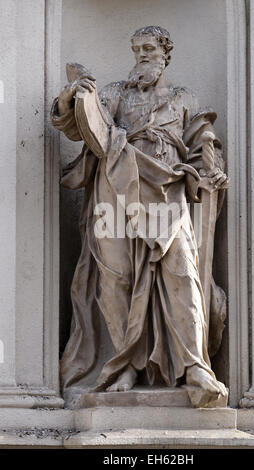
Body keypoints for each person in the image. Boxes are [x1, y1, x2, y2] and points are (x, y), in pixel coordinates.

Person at [51, 26, 228, 406]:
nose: (142, 55)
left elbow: (201, 142)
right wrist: (73, 96)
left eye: (149, 48)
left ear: (166, 53)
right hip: (114, 192)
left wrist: (211, 167)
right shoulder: (115, 93)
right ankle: (123, 365)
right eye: (136, 49)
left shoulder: (183, 98)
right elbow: (79, 126)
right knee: (116, 279)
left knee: (182, 273)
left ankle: (195, 367)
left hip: (167, 192)